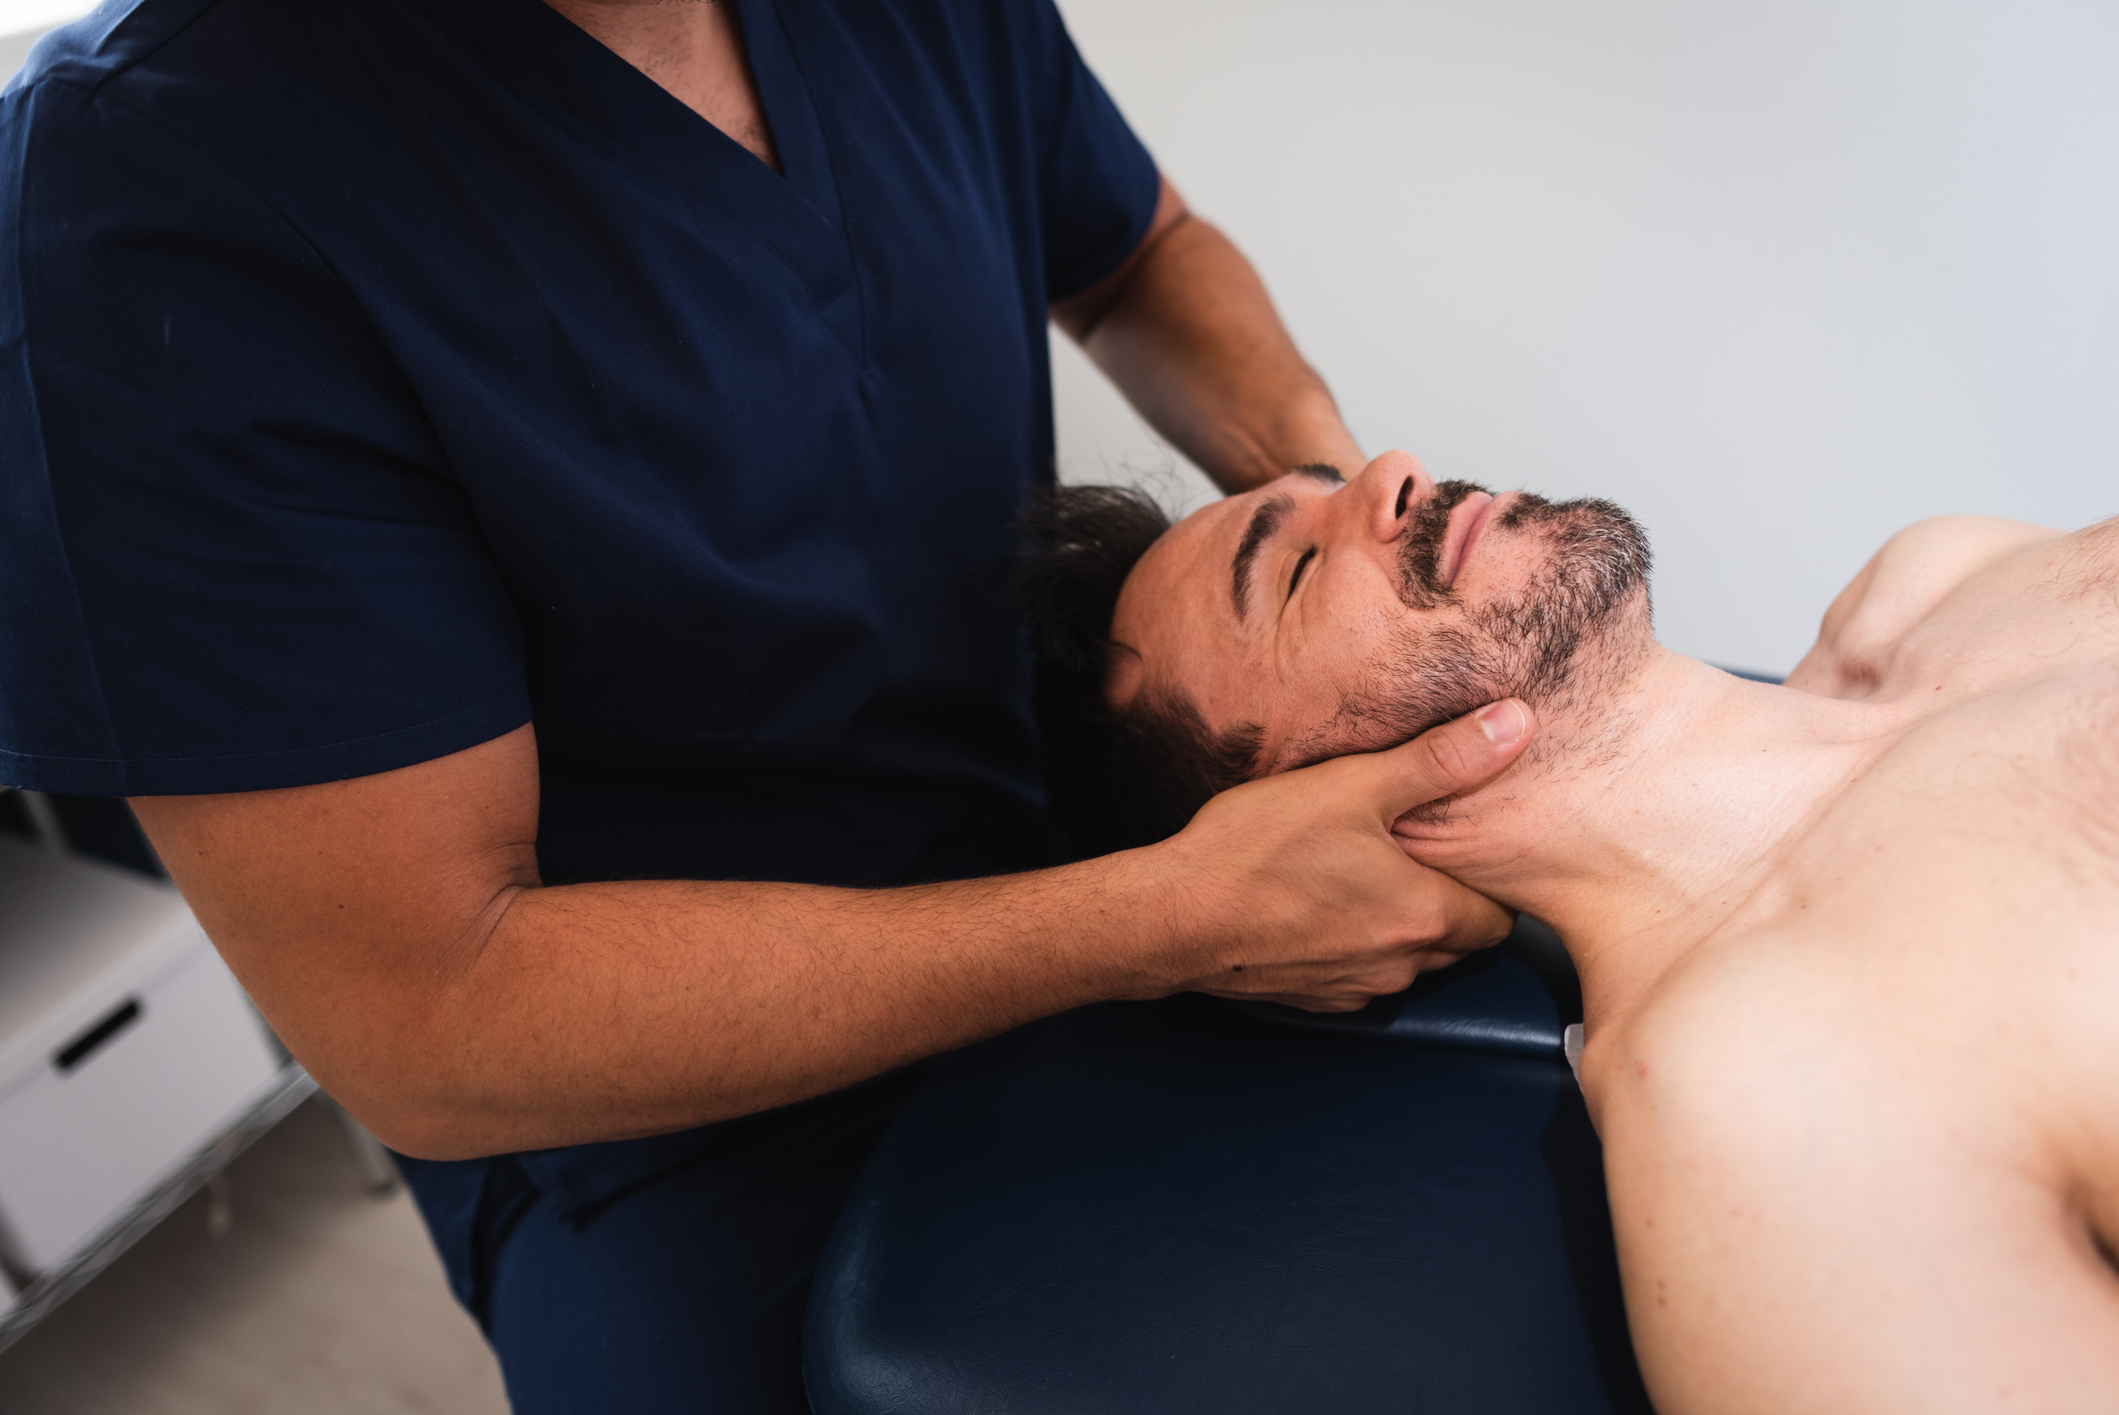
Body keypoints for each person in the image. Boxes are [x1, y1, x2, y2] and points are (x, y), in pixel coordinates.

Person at [0, 2, 1536, 1409]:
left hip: (1078, 864)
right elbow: (428, 1016)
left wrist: (1338, 514)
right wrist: (1160, 916)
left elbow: (1138, 252)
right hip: (677, 1125)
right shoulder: (159, 180)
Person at [1024, 451, 2119, 1411]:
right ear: (1279, 823)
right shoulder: (1759, 1099)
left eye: (1330, 482)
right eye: (1294, 569)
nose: (1391, 468)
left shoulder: (1938, 577)